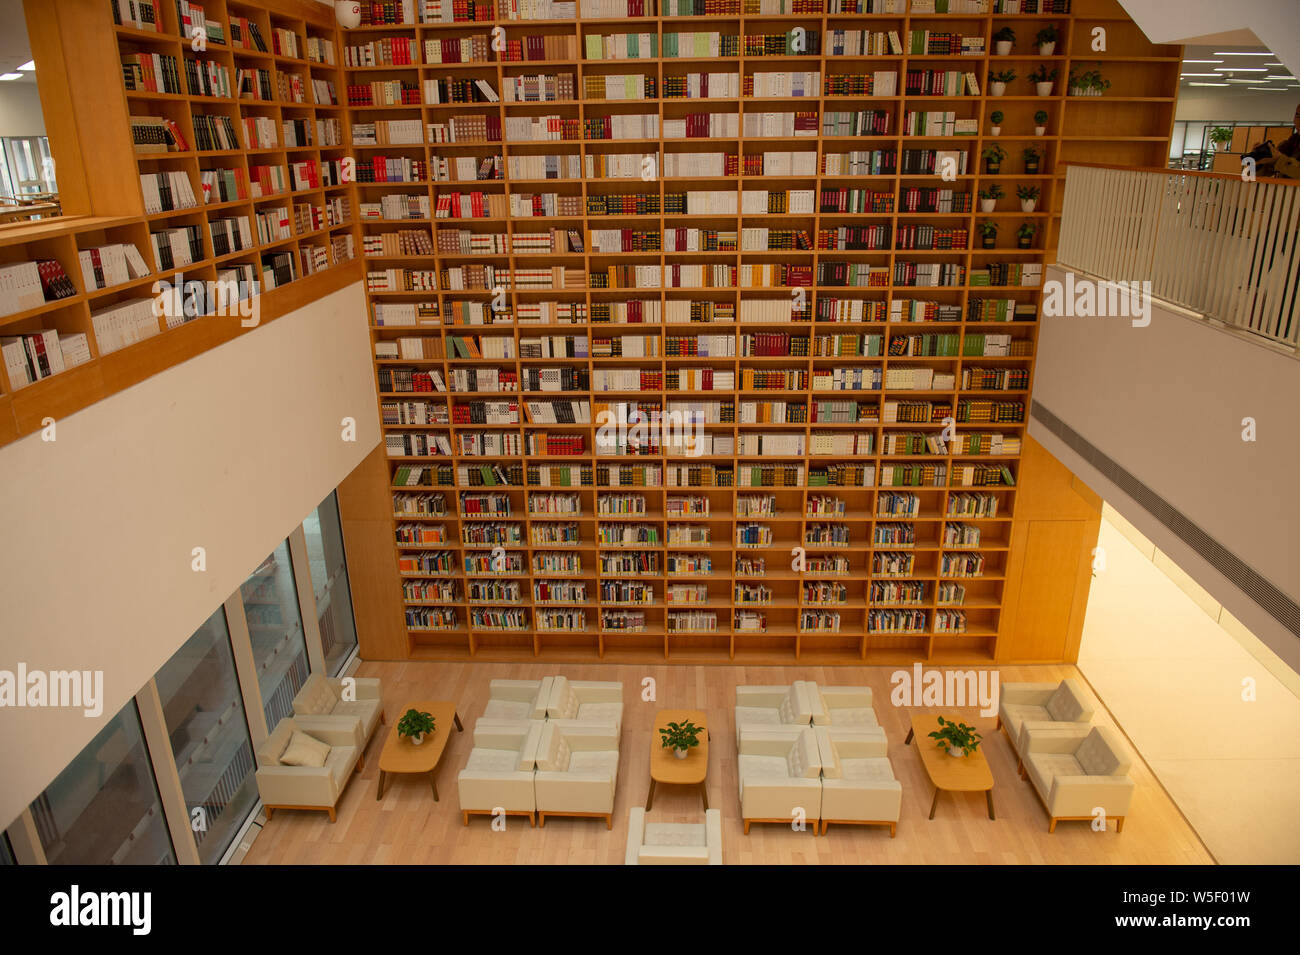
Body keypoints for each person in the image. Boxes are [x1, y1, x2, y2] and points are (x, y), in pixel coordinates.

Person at [1254, 102, 1300, 178]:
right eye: (1298, 116)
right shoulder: (1288, 145)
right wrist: (1260, 161)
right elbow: (1255, 176)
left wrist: (1279, 159)